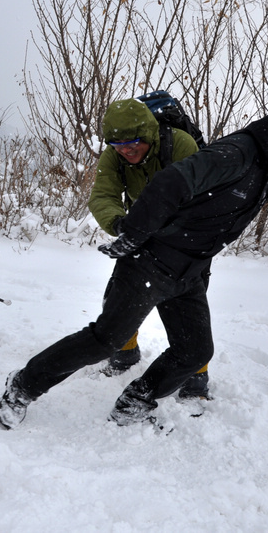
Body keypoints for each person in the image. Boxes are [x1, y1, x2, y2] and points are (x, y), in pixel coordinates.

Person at [0, 99, 268, 430]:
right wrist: (132, 233)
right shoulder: (237, 152)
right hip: (149, 263)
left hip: (189, 270)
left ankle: (136, 401)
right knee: (105, 340)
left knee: (195, 350)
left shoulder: (267, 163)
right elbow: (171, 182)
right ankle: (23, 385)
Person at [88, 98, 210, 398]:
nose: (125, 151)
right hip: (139, 236)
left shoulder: (179, 145)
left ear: (149, 134)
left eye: (133, 143)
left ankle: (195, 375)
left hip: (186, 242)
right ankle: (125, 354)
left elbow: (198, 198)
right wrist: (121, 226)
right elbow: (103, 195)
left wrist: (164, 232)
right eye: (118, 145)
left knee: (187, 309)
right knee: (119, 298)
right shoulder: (114, 155)